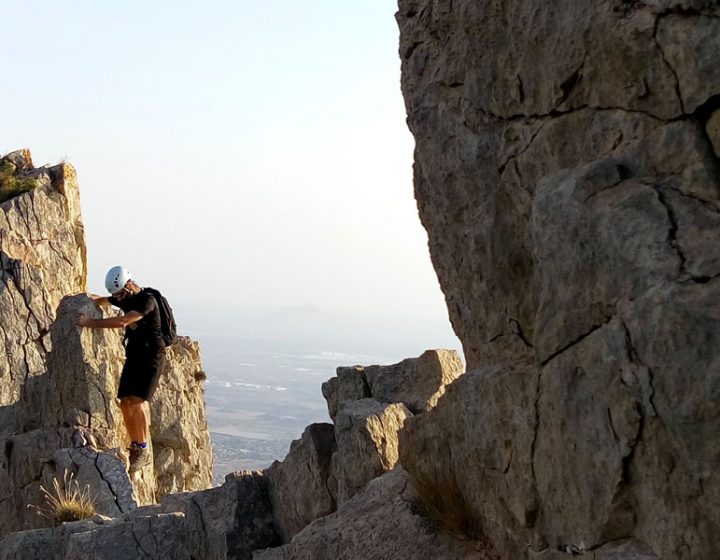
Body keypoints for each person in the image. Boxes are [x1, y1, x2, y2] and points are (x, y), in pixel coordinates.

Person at [74, 265, 166, 473]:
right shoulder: (125, 297)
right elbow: (104, 300)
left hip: (152, 356)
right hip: (135, 355)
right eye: (117, 295)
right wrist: (85, 298)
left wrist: (89, 323)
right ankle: (135, 444)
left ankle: (142, 448)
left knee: (137, 401)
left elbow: (123, 321)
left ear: (129, 285)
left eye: (121, 293)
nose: (119, 298)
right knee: (125, 402)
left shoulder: (146, 301)